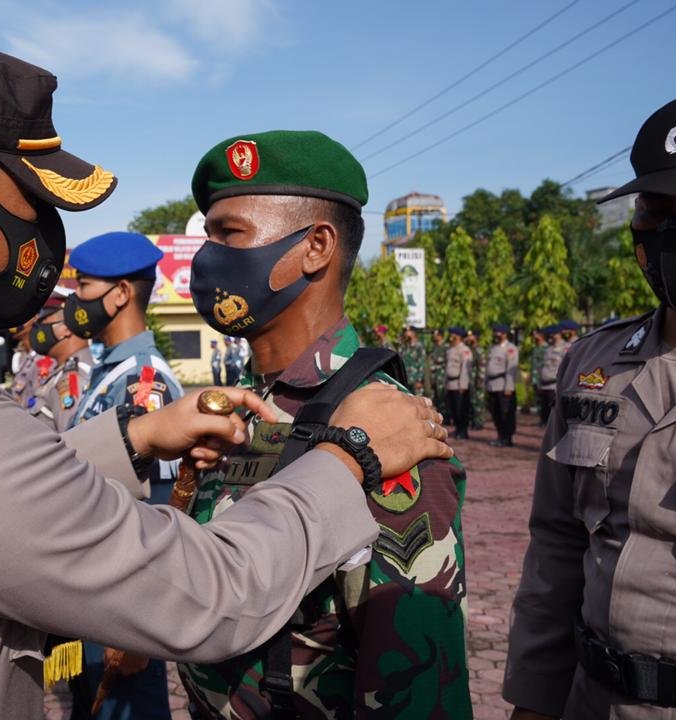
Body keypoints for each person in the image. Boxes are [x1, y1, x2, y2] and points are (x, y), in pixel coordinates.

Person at [0, 37, 452, 720]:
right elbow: (209, 593)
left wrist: (135, 438)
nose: (47, 242)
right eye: (35, 207)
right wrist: (347, 458)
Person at [177, 129, 470, 719]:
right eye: (208, 234)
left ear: (315, 247)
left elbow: (410, 682)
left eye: (229, 234)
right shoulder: (252, 405)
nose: (208, 256)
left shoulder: (381, 424)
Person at [505, 96, 676, 720]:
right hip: (592, 698)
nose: (671, 239)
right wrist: (533, 697)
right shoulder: (593, 362)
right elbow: (556, 541)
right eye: (658, 216)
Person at [62, 230, 183, 719]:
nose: (74, 301)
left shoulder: (142, 384)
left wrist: (142, 626)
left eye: (84, 287)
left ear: (119, 294)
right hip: (91, 593)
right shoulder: (108, 374)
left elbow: (159, 512)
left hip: (121, 608)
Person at [28, 292, 93, 432]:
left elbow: (72, 440)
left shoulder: (72, 379)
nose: (38, 329)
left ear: (67, 329)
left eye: (44, 322)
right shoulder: (61, 372)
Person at [485, 322, 520, 447]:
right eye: (495, 332)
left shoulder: (510, 348)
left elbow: (511, 369)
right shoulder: (493, 348)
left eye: (498, 332)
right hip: (493, 385)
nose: (496, 334)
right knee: (496, 412)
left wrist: (509, 387)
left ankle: (507, 438)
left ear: (505, 334)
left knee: (506, 413)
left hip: (503, 385)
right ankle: (500, 436)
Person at [444, 326, 473, 439]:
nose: (450, 336)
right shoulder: (451, 350)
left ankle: (463, 431)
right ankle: (457, 429)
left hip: (459, 384)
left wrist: (463, 385)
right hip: (451, 384)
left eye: (452, 334)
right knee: (454, 409)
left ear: (458, 336)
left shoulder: (464, 350)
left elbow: (465, 369)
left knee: (461, 409)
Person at [537, 324, 567, 427]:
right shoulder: (549, 348)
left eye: (553, 334)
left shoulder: (566, 348)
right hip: (545, 385)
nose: (550, 336)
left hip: (554, 386)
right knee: (545, 415)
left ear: (559, 334)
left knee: (554, 417)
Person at [466, 330, 487, 430]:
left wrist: (480, 379)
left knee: (478, 401)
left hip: (477, 379)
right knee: (472, 401)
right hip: (470, 379)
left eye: (471, 336)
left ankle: (479, 422)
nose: (469, 338)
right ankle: (473, 421)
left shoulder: (479, 350)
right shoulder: (470, 349)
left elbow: (482, 365)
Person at [400, 325, 430, 396]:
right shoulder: (404, 346)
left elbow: (422, 364)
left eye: (408, 331)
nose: (406, 333)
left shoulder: (419, 346)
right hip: (406, 380)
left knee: (417, 402)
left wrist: (419, 380)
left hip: (416, 380)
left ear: (413, 333)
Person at [528, 327, 547, 415]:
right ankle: (541, 417)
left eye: (536, 334)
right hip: (535, 377)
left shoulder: (546, 348)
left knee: (544, 398)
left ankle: (545, 418)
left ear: (542, 335)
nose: (534, 336)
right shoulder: (535, 348)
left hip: (543, 377)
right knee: (538, 398)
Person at [430, 327, 449, 414]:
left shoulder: (446, 347)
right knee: (435, 397)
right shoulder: (433, 347)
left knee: (443, 396)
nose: (434, 337)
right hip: (434, 375)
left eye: (436, 335)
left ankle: (446, 416)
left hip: (442, 375)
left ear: (440, 336)